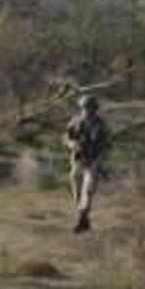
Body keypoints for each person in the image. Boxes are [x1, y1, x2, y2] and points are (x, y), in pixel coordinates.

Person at [63, 94, 110, 233]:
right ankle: (84, 219)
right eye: (85, 108)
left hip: (93, 160)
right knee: (77, 193)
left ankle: (81, 219)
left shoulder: (101, 124)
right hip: (77, 160)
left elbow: (107, 143)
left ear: (95, 109)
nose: (87, 110)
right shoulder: (75, 121)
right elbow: (66, 137)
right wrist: (72, 144)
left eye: (90, 108)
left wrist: (100, 160)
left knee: (88, 191)